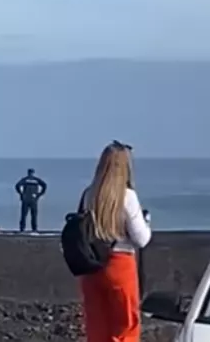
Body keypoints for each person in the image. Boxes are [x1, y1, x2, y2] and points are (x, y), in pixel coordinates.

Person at [78, 141, 152, 342]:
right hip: (119, 262)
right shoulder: (127, 197)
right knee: (125, 324)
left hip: (91, 265)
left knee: (97, 324)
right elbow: (141, 239)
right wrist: (146, 222)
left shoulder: (89, 194)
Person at [15, 168, 48, 233]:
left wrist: (21, 194)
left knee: (28, 214)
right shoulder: (36, 180)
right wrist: (39, 194)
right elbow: (44, 185)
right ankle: (31, 228)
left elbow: (17, 186)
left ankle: (26, 228)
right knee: (30, 215)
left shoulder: (26, 179)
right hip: (32, 199)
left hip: (28, 199)